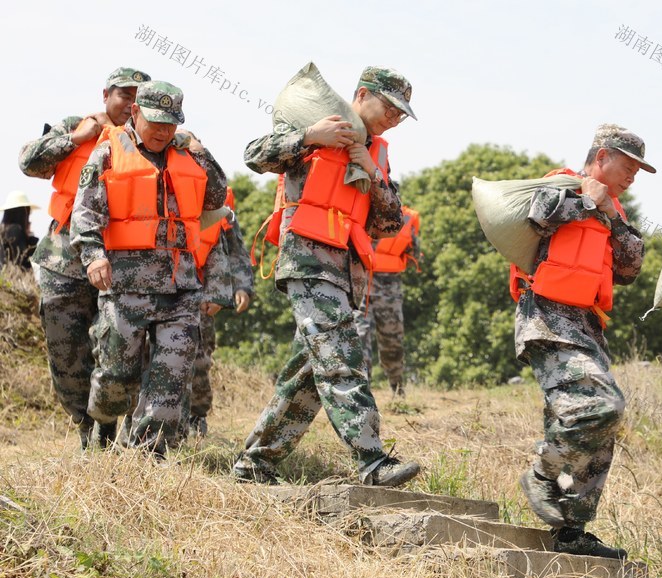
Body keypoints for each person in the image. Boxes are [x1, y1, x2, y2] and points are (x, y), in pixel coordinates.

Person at [233, 66, 421, 487]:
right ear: (362, 94)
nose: (395, 117)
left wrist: (372, 174)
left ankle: (253, 463)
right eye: (389, 106)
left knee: (308, 374)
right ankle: (372, 460)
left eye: (401, 112)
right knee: (341, 358)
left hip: (346, 272)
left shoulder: (377, 154)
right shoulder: (317, 125)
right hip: (306, 260)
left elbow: (391, 225)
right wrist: (308, 137)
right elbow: (253, 154)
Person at [512, 123, 652, 560]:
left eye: (637, 171)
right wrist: (587, 200)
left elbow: (630, 270)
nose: (632, 176)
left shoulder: (617, 212)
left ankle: (571, 532)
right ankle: (541, 473)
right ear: (602, 156)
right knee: (601, 407)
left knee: (600, 431)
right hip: (548, 318)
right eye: (628, 166)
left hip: (588, 326)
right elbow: (537, 215)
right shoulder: (561, 185)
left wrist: (609, 215)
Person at [70, 80, 230, 457]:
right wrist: (93, 255)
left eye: (171, 123)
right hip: (125, 284)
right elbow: (85, 212)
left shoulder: (188, 154)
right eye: (156, 122)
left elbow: (217, 196)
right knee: (115, 375)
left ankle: (147, 456)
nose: (163, 131)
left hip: (181, 286)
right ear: (135, 112)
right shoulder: (109, 152)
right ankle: (104, 427)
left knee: (171, 375)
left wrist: (202, 152)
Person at [18, 67, 151, 448]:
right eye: (125, 94)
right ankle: (84, 423)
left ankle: (108, 426)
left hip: (120, 262)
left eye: (139, 97)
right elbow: (29, 162)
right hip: (62, 261)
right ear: (106, 93)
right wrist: (76, 139)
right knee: (66, 352)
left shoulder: (150, 141)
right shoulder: (77, 126)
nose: (131, 103)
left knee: (116, 349)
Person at [187, 187, 254, 436]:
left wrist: (242, 287)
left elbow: (236, 250)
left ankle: (196, 418)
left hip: (203, 291)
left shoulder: (220, 201)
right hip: (163, 287)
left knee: (200, 358)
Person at [354, 203, 419, 397]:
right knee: (360, 336)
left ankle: (397, 388)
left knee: (391, 341)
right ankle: (363, 391)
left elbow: (414, 253)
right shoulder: (359, 211)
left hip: (388, 286)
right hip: (361, 282)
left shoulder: (407, 219)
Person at [0, 191, 39, 270]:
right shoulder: (15, 231)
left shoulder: (3, 231)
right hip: (13, 279)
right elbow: (24, 261)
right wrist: (30, 239)